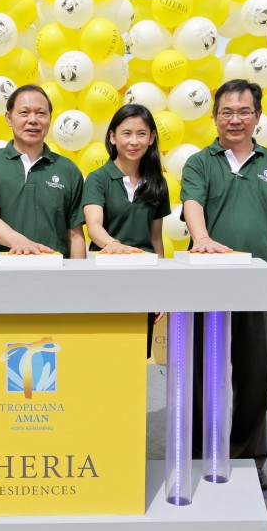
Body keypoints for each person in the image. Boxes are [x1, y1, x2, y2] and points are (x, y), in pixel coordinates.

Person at [180, 79, 267, 491]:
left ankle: (248, 457)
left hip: (259, 288)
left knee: (254, 378)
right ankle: (200, 452)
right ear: (214, 117)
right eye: (226, 112)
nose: (234, 119)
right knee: (203, 374)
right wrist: (200, 238)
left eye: (243, 111)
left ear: (258, 116)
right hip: (209, 287)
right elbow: (192, 203)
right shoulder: (201, 163)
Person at [82, 104, 170, 354]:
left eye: (141, 134)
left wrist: (159, 288)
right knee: (104, 353)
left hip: (142, 280)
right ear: (112, 136)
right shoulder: (98, 179)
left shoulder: (158, 183)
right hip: (104, 278)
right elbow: (94, 226)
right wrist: (113, 245)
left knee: (137, 356)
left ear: (152, 138)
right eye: (126, 133)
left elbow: (156, 239)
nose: (134, 141)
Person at [0, 84, 86, 259]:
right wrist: (20, 242)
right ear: (8, 118)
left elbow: (75, 234)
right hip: (0, 275)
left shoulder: (68, 169)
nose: (33, 120)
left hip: (54, 275)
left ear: (50, 119)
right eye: (24, 112)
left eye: (41, 113)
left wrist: (78, 276)